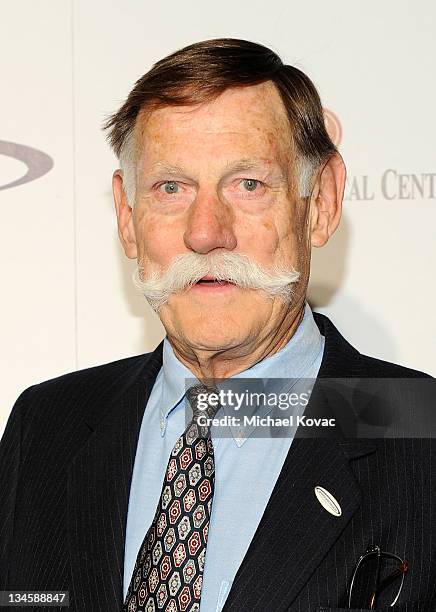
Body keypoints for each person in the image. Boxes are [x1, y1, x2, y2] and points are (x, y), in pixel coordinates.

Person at [0, 38, 434, 612]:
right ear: (128, 218)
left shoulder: (419, 435)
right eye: (171, 188)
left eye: (248, 185)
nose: (206, 232)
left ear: (321, 203)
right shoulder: (47, 425)